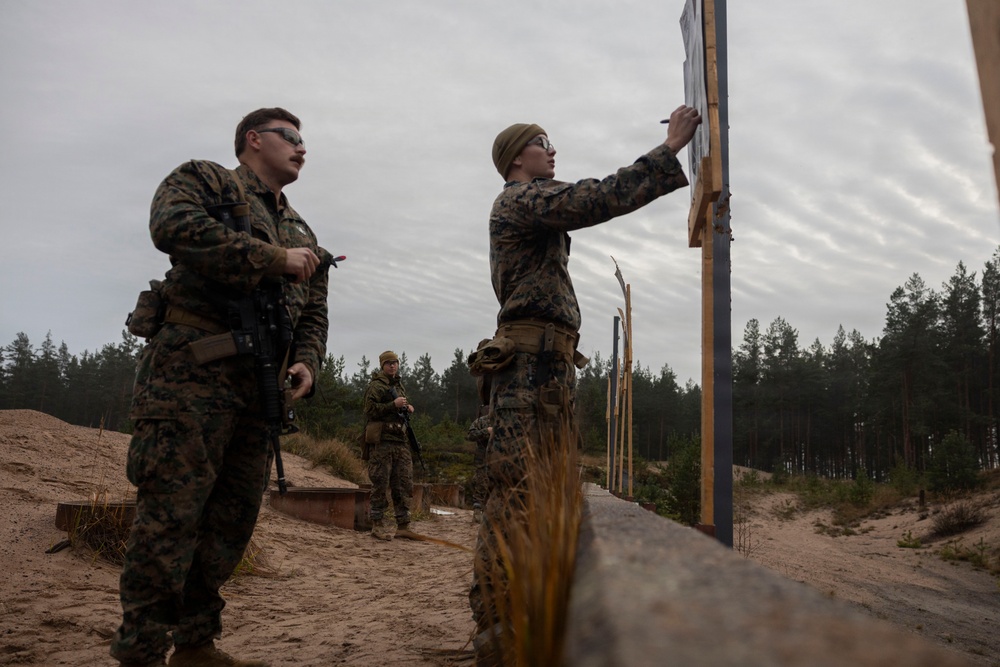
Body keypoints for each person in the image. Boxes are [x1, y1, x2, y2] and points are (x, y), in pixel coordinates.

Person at [469, 104, 702, 651]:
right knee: (516, 496)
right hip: (528, 373)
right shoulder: (519, 199)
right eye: (542, 142)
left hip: (546, 373)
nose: (552, 150)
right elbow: (594, 198)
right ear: (516, 158)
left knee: (540, 495)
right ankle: (497, 631)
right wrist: (669, 149)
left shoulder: (528, 205)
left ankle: (522, 619)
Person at [111, 107, 329, 667]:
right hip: (191, 375)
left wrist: (307, 362)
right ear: (253, 139)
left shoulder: (302, 230)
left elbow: (313, 309)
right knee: (170, 515)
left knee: (231, 523)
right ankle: (140, 652)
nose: (302, 147)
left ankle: (195, 645)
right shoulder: (208, 180)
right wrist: (271, 259)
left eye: (304, 140)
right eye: (291, 137)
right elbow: (171, 225)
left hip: (260, 387)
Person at [363, 350, 416, 541]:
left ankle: (403, 525)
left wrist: (406, 408)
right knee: (380, 482)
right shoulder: (376, 386)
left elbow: (399, 410)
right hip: (382, 441)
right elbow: (369, 410)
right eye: (388, 363)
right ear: (382, 365)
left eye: (395, 362)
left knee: (403, 483)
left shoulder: (399, 385)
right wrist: (393, 405)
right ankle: (377, 524)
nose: (392, 365)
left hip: (400, 441)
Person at [466, 403, 492, 524]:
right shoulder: (481, 421)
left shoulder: (504, 420)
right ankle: (477, 512)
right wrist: (486, 431)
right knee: (481, 483)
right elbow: (470, 435)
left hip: (501, 458)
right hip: (483, 458)